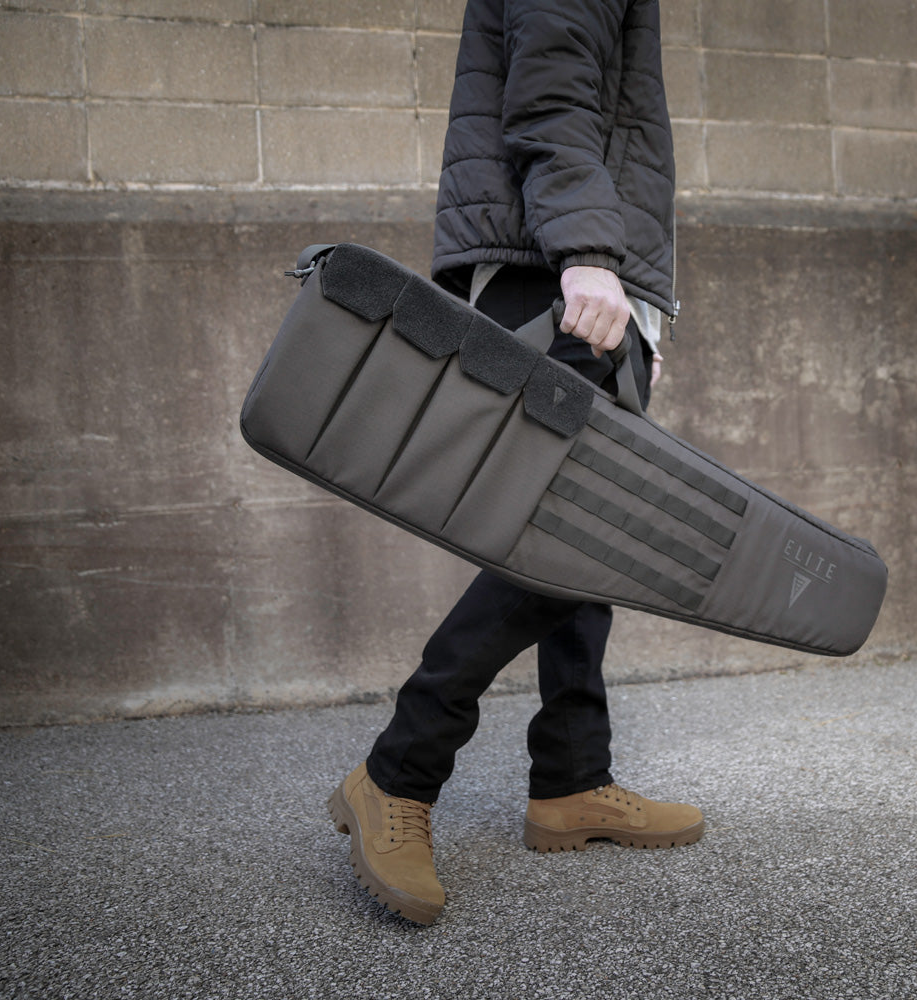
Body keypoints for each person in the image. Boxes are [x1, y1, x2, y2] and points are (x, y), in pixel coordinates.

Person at [326, 0, 700, 926]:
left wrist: (638, 308)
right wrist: (589, 258)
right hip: (553, 265)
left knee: (582, 537)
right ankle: (397, 773)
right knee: (570, 531)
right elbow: (551, 92)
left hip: (578, 268)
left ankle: (572, 778)